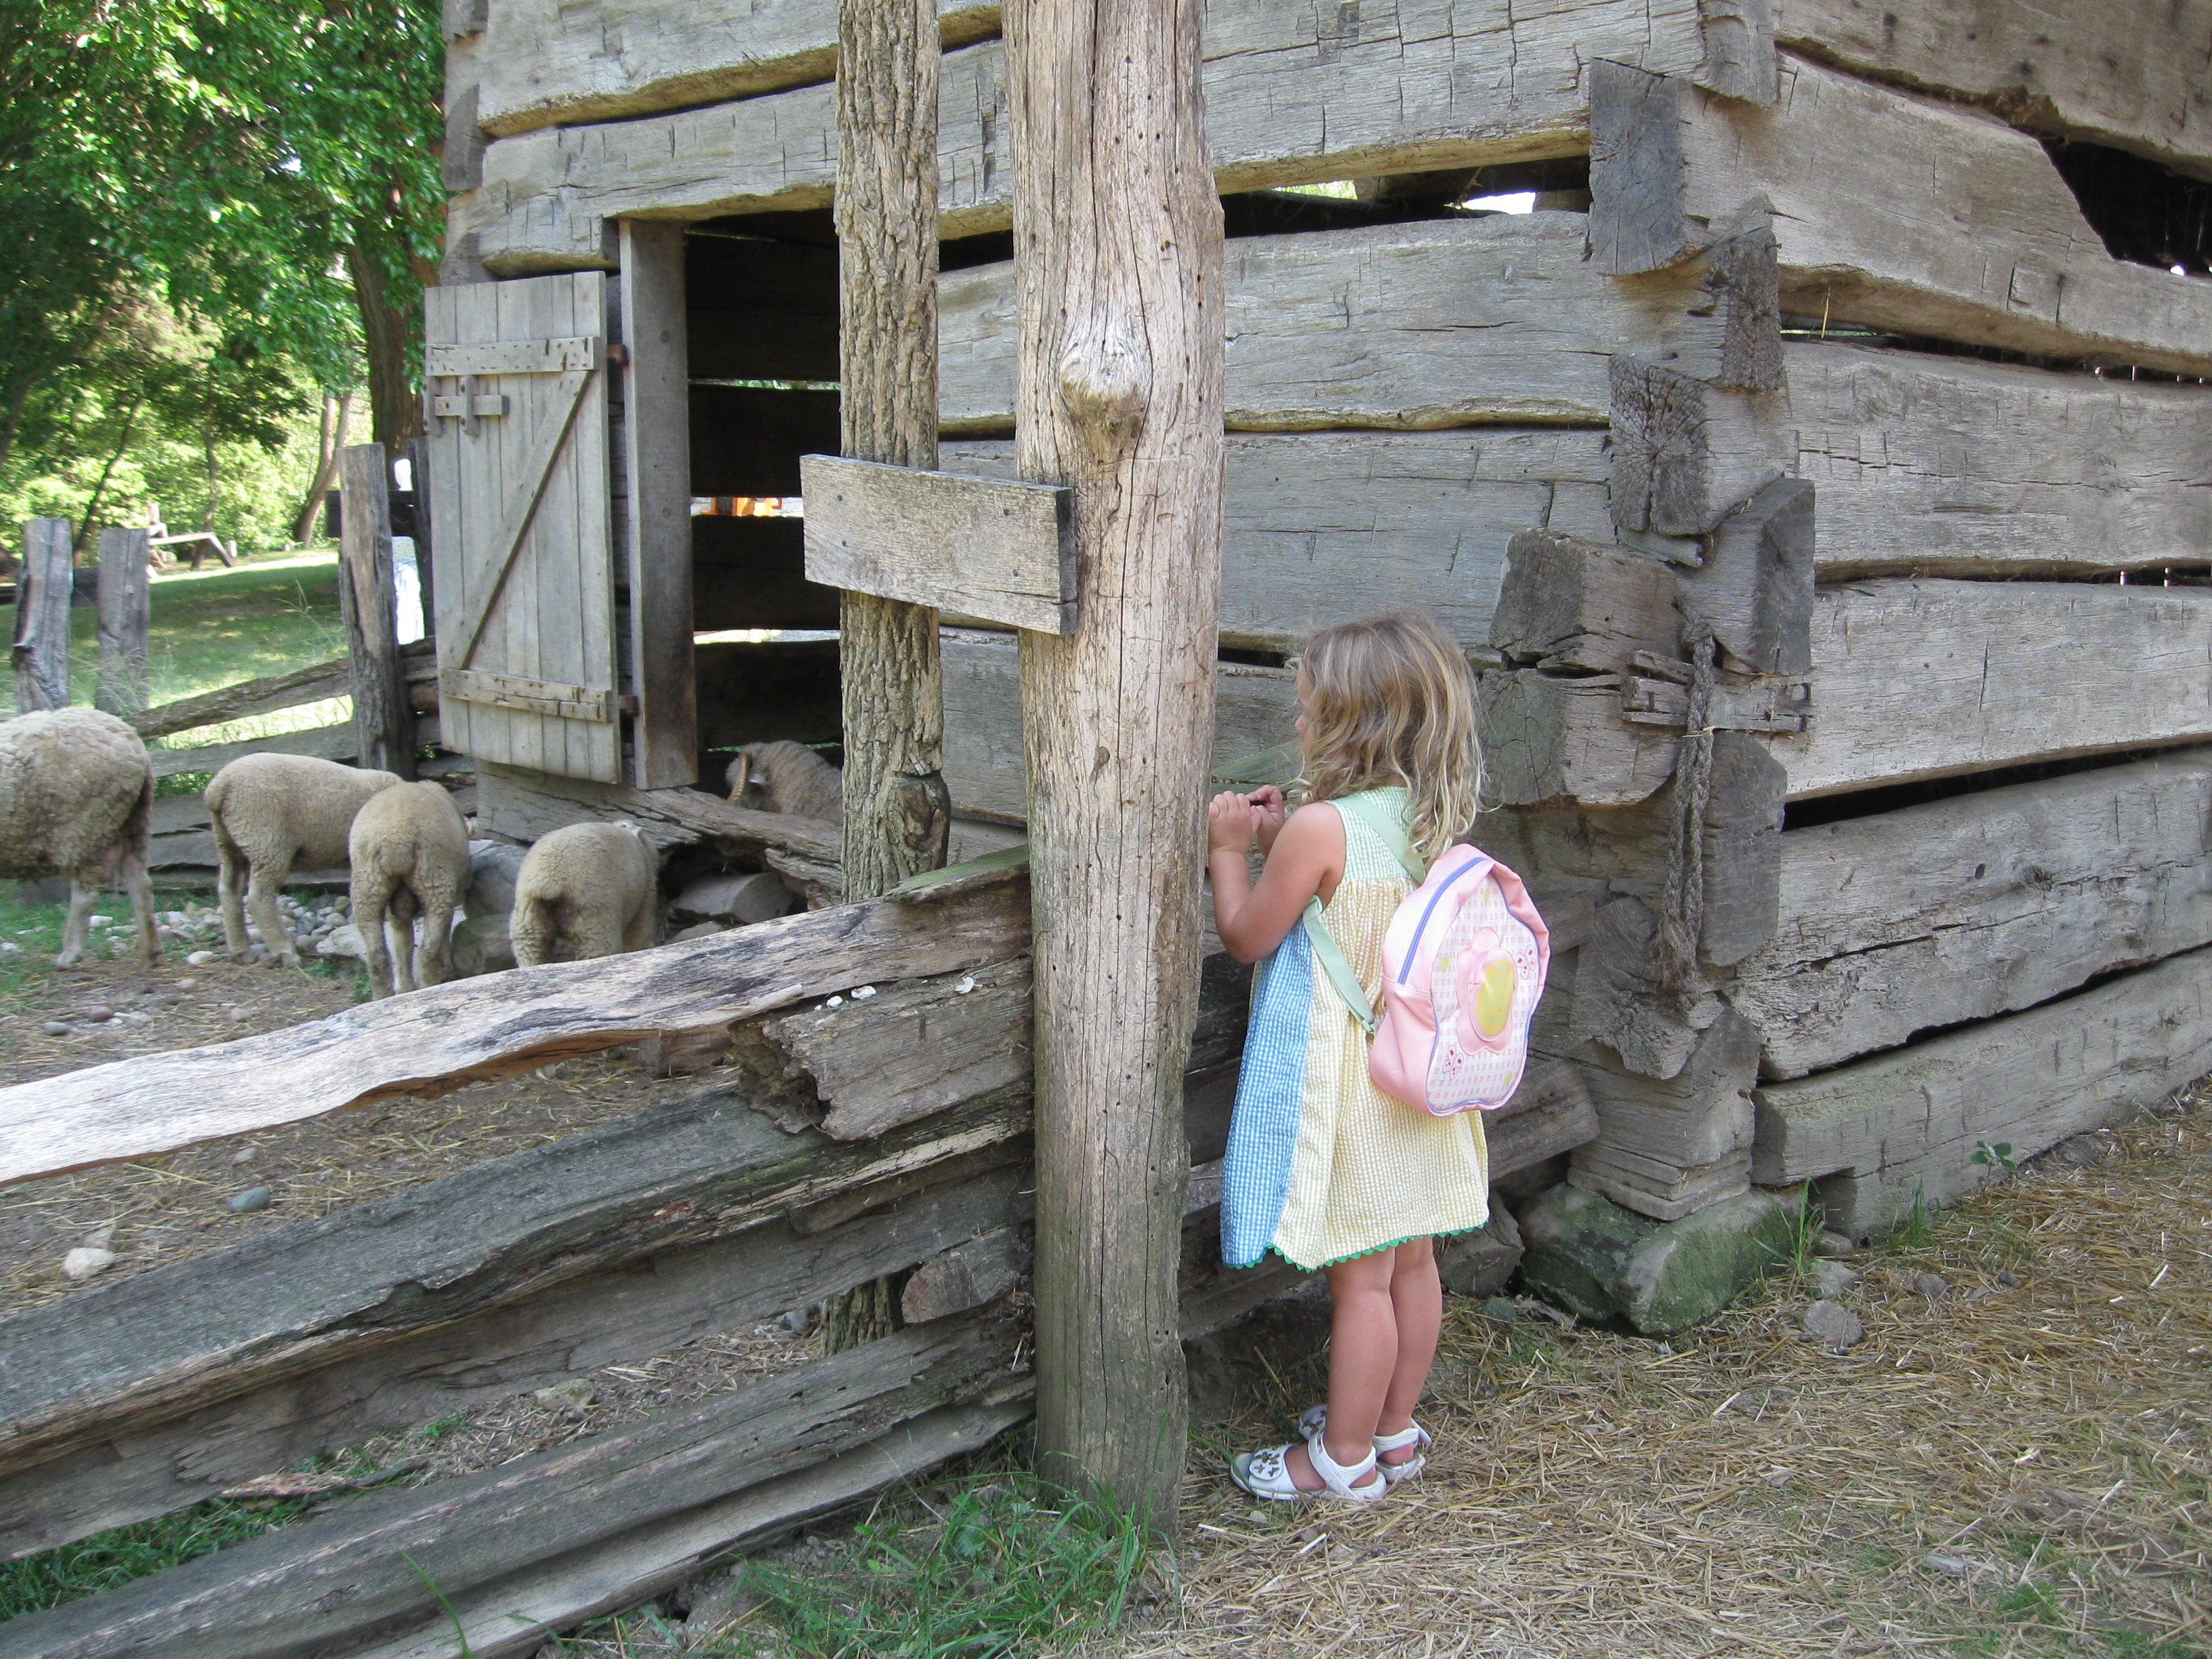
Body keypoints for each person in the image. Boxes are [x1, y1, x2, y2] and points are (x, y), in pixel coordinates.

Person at [1206, 613, 1490, 1502]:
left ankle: (1343, 1460)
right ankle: (1397, 1432)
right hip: (1423, 1078)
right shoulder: (1432, 817)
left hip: (1356, 1086)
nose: (1297, 726)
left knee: (1360, 1282)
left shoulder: (1320, 830)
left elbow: (1250, 935)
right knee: (1413, 1262)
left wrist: (1229, 851)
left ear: (1353, 723)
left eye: (1308, 711)